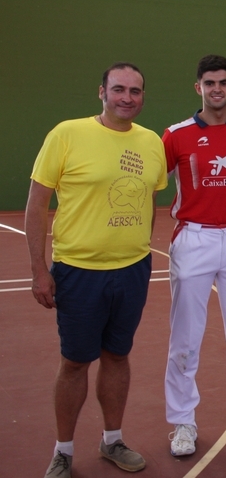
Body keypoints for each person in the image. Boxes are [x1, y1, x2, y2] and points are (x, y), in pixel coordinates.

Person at [26, 63, 168, 477]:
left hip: (131, 271)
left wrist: (140, 251)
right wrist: (40, 269)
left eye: (136, 91)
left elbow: (149, 202)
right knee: (74, 362)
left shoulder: (151, 143)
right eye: (119, 89)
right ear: (102, 92)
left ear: (143, 96)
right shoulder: (66, 134)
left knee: (117, 356)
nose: (127, 98)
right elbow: (37, 205)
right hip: (78, 272)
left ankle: (112, 441)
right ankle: (64, 451)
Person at [162, 55, 226, 457]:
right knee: (185, 337)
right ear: (198, 88)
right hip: (194, 239)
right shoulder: (176, 135)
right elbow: (155, 181)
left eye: (223, 82)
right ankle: (183, 422)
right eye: (209, 83)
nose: (217, 89)